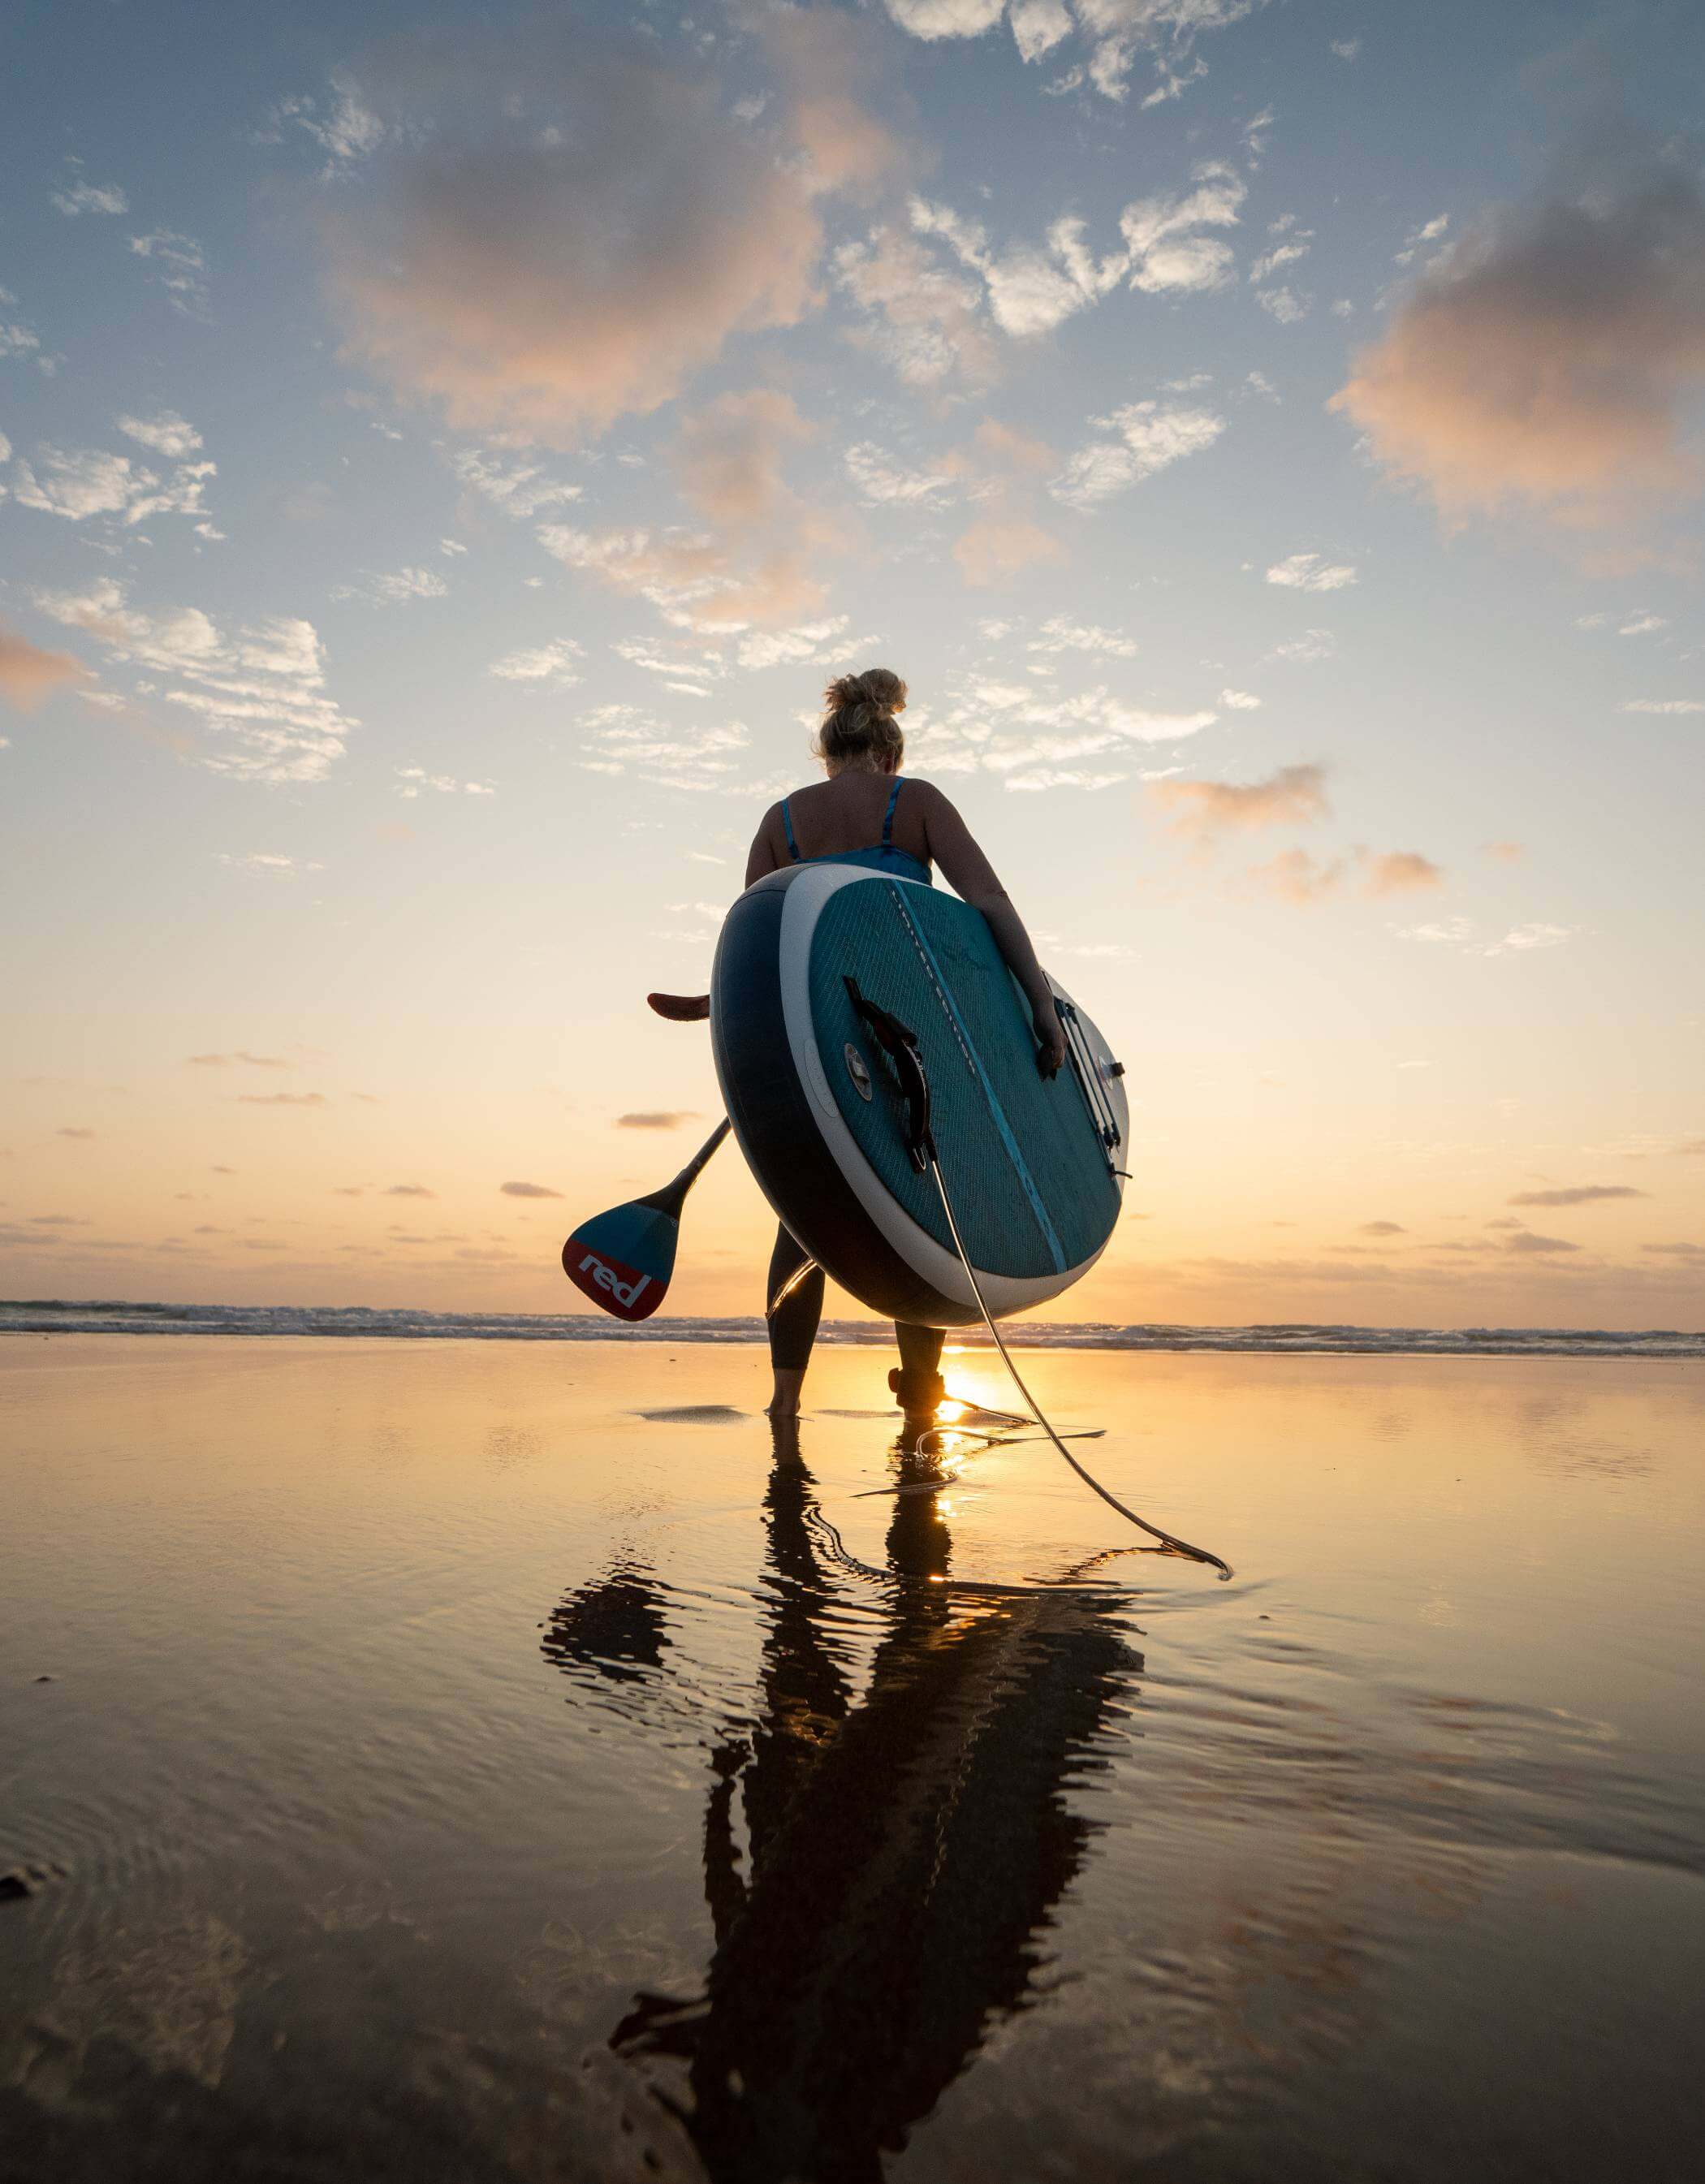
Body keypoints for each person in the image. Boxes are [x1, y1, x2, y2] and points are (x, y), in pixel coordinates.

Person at [650, 667, 1066, 1427]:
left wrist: (707, 1007)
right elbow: (990, 903)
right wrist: (1040, 1007)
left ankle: (785, 1399)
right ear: (890, 754)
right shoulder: (917, 803)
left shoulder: (781, 821)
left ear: (830, 750)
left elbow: (752, 950)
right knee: (920, 1203)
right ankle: (921, 1400)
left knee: (805, 1213)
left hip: (815, 1044)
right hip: (908, 1032)